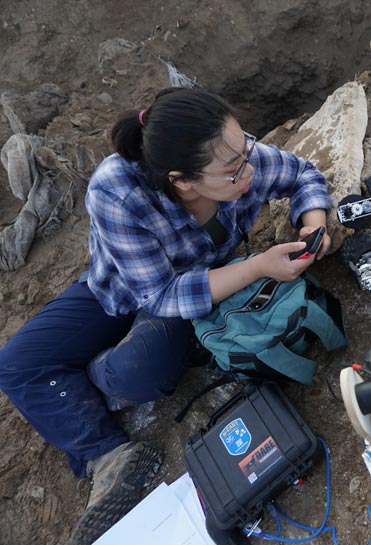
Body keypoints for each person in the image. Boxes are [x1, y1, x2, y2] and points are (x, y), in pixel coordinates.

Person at [0, 87, 332, 544]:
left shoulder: (225, 149)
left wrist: (312, 223)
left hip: (201, 289)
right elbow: (158, 294)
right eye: (234, 171)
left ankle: (98, 380)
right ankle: (107, 454)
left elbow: (302, 175)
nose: (250, 171)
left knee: (143, 370)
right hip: (123, 289)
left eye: (246, 152)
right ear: (183, 180)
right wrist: (257, 266)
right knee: (17, 363)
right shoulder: (115, 193)